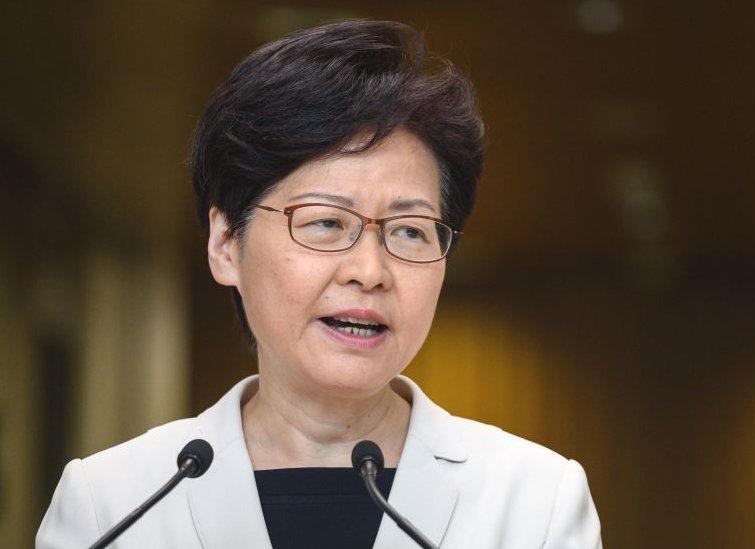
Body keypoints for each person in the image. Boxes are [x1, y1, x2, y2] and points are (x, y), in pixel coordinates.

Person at [36, 19, 602, 549]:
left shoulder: (535, 503)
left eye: (409, 231)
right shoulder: (111, 503)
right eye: (326, 222)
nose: (370, 271)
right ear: (226, 243)